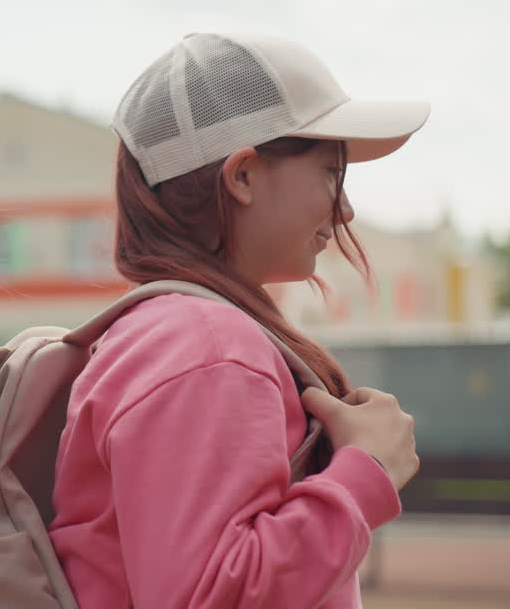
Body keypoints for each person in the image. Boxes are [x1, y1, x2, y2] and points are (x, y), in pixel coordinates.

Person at [48, 33, 426, 607]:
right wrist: (365, 471)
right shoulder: (206, 344)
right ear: (243, 175)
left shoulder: (170, 332)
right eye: (330, 171)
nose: (345, 209)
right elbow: (207, 595)